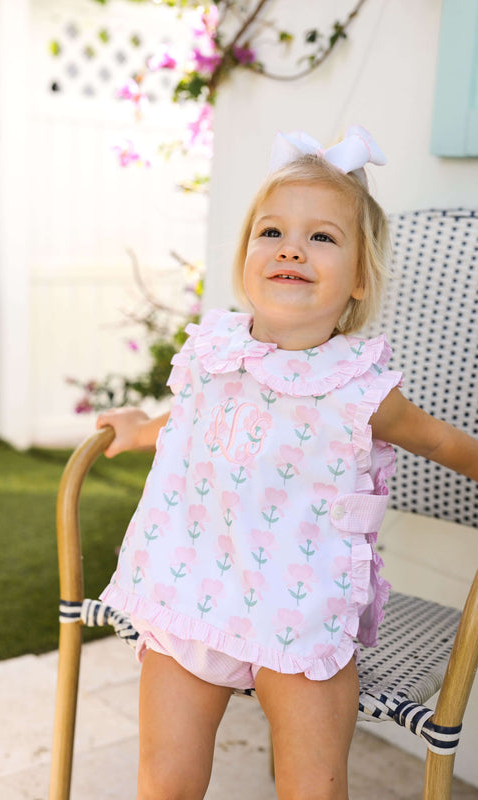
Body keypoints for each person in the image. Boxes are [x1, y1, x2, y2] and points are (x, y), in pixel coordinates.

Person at [97, 126, 478, 800]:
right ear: (245, 256)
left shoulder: (359, 386)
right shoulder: (212, 349)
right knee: (163, 781)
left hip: (298, 615)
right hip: (191, 591)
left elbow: (443, 443)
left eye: (321, 238)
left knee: (313, 787)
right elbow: (190, 422)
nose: (290, 248)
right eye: (270, 233)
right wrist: (139, 427)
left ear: (359, 278)